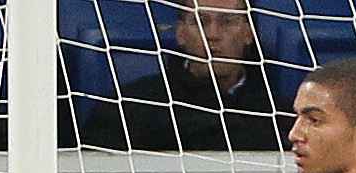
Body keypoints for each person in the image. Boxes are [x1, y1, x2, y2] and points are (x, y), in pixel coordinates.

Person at [79, 0, 287, 152]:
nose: (212, 34)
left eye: (227, 21)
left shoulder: (281, 117)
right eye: (200, 22)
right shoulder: (128, 108)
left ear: (249, 34)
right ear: (180, 34)